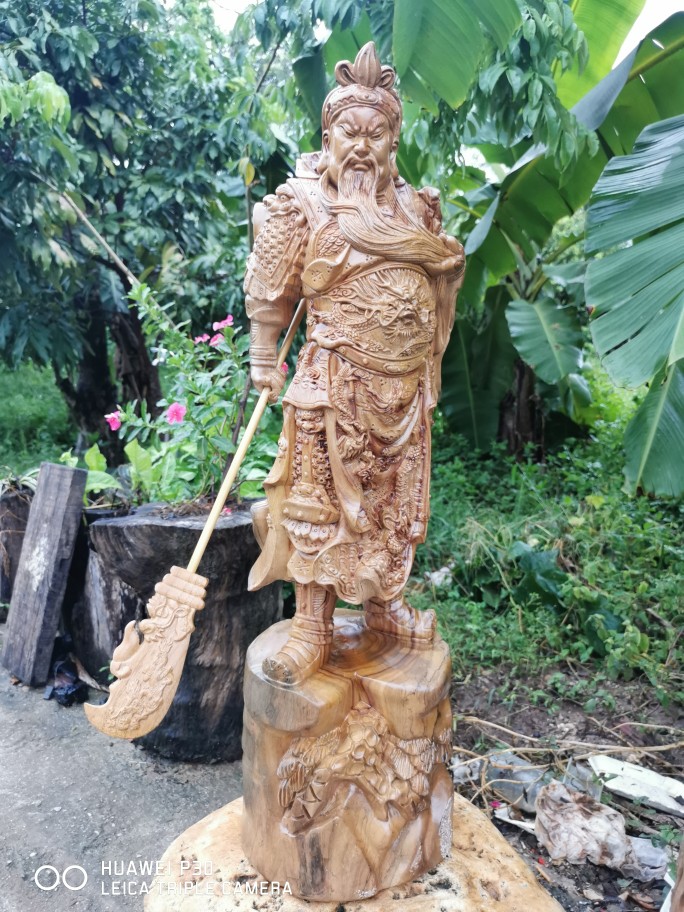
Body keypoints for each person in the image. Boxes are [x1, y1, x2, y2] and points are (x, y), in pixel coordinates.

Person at [244, 41, 464, 685]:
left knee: (394, 502)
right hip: (334, 380)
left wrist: (442, 262)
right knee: (318, 505)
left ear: (393, 142)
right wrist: (264, 353)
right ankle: (311, 622)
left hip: (404, 389)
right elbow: (270, 286)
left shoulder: (416, 208)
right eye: (350, 132)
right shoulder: (303, 202)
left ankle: (382, 606)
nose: (363, 147)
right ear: (327, 135)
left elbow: (441, 271)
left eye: (377, 134)